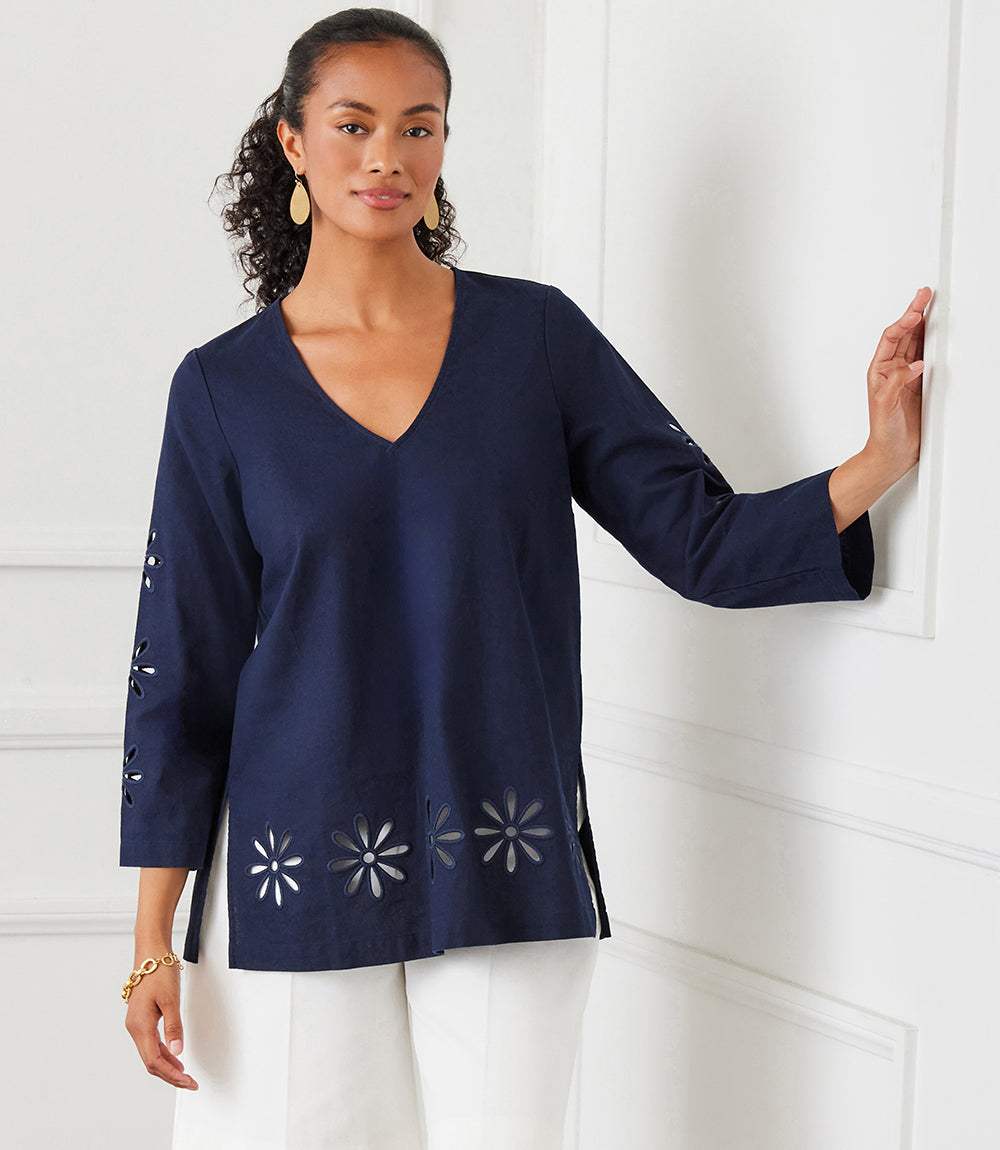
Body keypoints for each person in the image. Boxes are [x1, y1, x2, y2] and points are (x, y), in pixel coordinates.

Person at [118, 8, 930, 1149]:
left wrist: (877, 462)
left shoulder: (533, 341)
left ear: (446, 145)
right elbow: (180, 676)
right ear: (294, 141)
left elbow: (699, 541)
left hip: (504, 851)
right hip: (289, 873)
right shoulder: (222, 390)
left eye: (419, 126)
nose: (387, 156)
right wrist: (151, 941)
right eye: (353, 125)